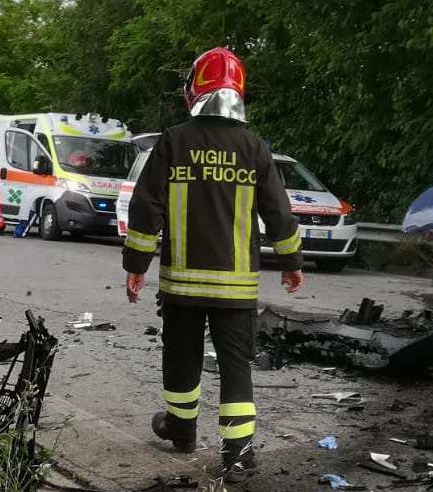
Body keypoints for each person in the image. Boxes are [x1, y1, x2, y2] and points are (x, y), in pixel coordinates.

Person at [123, 47, 304, 483]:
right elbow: (278, 211)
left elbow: (146, 206)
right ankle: (238, 454)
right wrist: (291, 261)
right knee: (235, 365)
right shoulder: (254, 147)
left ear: (194, 92)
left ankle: (181, 429)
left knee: (181, 357)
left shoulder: (173, 141)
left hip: (182, 282)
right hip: (236, 288)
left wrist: (137, 264)